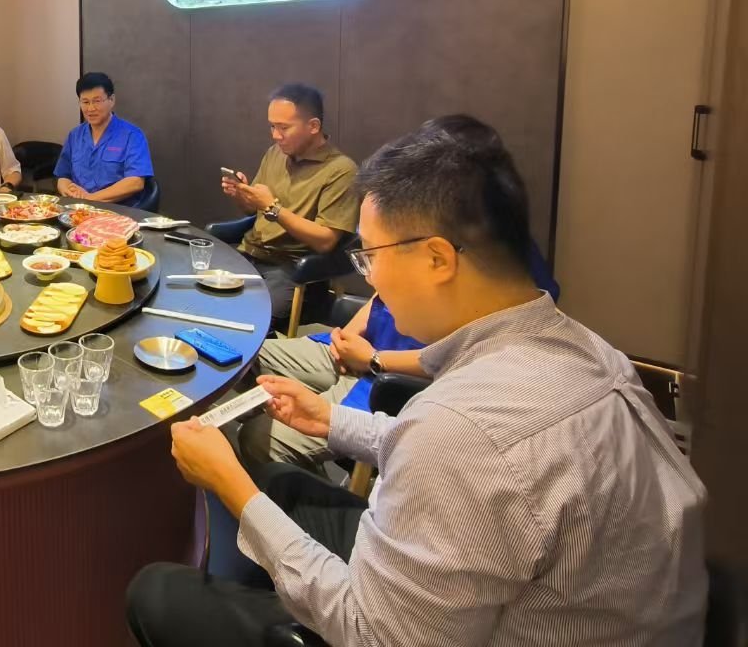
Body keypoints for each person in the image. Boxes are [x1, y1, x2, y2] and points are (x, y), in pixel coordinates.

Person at [127, 117, 707, 646]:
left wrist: (229, 483)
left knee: (155, 591)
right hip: (582, 603)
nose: (370, 278)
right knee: (279, 485)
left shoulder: (459, 431)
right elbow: (470, 465)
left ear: (437, 259)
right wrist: (330, 420)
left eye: (372, 256)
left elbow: (370, 632)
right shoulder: (591, 350)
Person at [220, 84, 359, 330]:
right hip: (249, 254)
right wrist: (241, 194)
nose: (275, 135)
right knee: (199, 301)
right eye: (272, 126)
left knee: (244, 323)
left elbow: (326, 241)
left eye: (283, 128)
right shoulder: (276, 153)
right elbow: (251, 211)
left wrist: (273, 208)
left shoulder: (341, 170)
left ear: (313, 126)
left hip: (292, 269)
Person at [238, 291, 426, 471]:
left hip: (392, 379)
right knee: (240, 358)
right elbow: (381, 295)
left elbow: (441, 357)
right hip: (361, 349)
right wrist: (344, 342)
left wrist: (374, 359)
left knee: (261, 439)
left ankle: (298, 483)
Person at [54, 73, 154, 206]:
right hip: (78, 209)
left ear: (111, 100)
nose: (90, 108)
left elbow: (135, 182)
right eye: (85, 102)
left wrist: (91, 198)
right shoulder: (75, 135)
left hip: (118, 211)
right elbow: (62, 176)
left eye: (97, 101)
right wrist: (68, 190)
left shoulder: (132, 135)